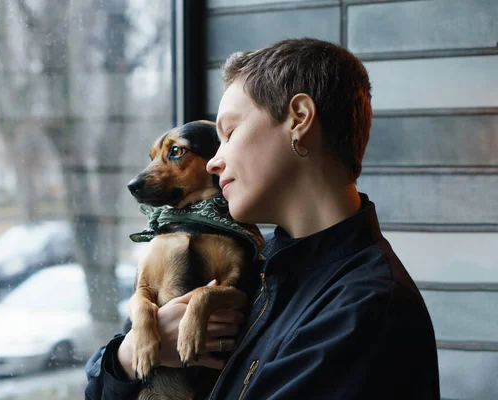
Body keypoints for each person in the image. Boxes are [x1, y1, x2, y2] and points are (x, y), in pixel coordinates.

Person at [85, 38, 440, 399]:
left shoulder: (365, 312)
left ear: (299, 120)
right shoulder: (261, 266)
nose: (212, 162)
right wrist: (131, 355)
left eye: (230, 133)